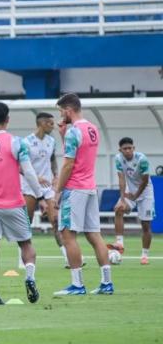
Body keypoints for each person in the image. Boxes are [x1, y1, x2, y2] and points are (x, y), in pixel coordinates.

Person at [0, 102, 44, 305]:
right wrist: (39, 195)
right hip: (13, 202)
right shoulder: (17, 142)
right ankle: (29, 276)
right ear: (8, 119)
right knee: (26, 243)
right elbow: (28, 172)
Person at [53, 93, 113, 296]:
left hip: (75, 188)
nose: (61, 115)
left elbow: (69, 163)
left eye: (61, 111)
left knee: (67, 235)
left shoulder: (74, 132)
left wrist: (58, 191)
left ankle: (77, 285)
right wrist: (63, 135)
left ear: (68, 110)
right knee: (94, 235)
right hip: (89, 187)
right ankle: (107, 283)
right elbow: (81, 155)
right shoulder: (92, 128)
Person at [18, 112, 68, 268]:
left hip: (47, 188)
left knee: (56, 221)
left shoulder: (51, 141)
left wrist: (55, 175)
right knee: (27, 223)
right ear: (42, 123)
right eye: (51, 124)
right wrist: (35, 177)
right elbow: (19, 166)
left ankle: (67, 257)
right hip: (29, 187)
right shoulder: (25, 142)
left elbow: (52, 160)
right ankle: (22, 258)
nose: (53, 126)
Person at [109, 137, 154, 265]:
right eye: (125, 149)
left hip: (145, 192)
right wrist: (123, 199)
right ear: (120, 150)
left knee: (145, 225)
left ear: (134, 148)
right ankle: (120, 243)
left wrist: (136, 196)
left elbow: (145, 181)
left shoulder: (142, 159)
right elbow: (121, 179)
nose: (128, 151)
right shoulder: (118, 159)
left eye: (130, 148)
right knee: (118, 209)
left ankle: (145, 255)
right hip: (130, 189)